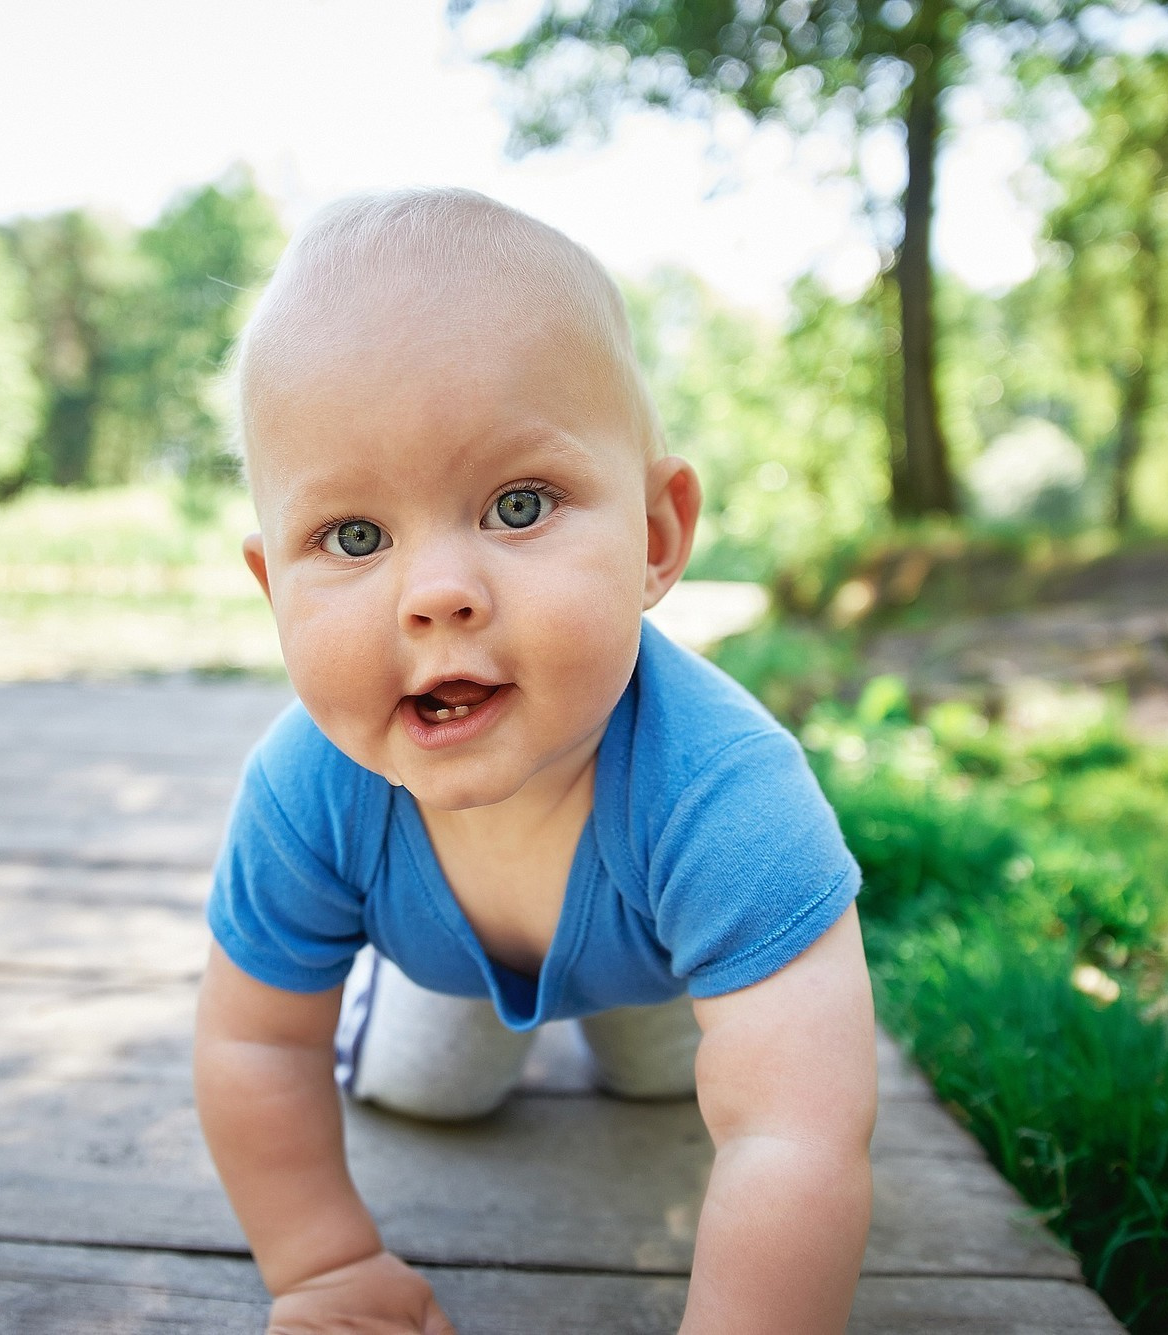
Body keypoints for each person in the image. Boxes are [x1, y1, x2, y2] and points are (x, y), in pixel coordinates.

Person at [193, 187, 876, 1334]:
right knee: (432, 1091)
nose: (436, 592)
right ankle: (437, 1014)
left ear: (654, 541)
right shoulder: (305, 790)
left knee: (696, 1081)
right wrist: (319, 1266)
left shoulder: (729, 796)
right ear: (272, 589)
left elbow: (797, 1139)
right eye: (353, 537)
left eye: (517, 505)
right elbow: (254, 1039)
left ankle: (636, 1026)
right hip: (441, 967)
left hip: (663, 958)